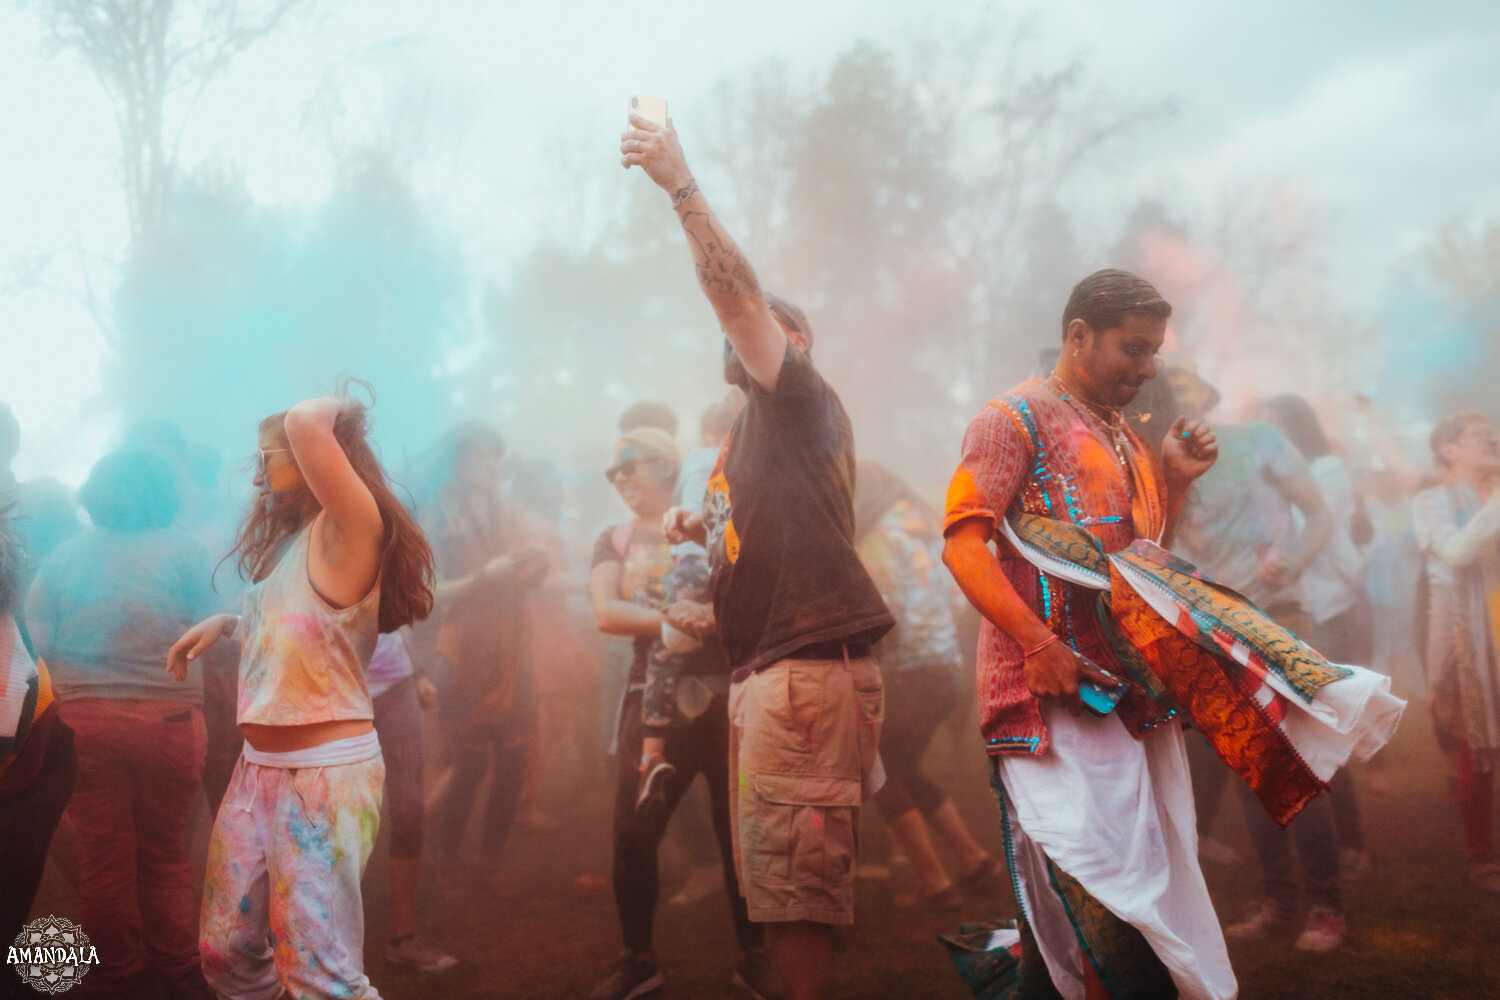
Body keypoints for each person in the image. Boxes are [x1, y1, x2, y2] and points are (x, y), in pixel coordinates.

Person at [941, 270, 1401, 999]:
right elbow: (964, 545)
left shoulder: (1121, 434)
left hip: (1130, 696)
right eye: (1135, 348)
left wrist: (1177, 483)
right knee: (1093, 891)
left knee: (1130, 895)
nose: (1150, 368)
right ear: (1078, 336)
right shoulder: (1009, 419)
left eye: (1154, 351)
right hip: (1045, 706)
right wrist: (1036, 644)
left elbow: (1137, 560)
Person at [624, 113, 894, 1000]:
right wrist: (703, 529)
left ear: (796, 347)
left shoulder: (798, 398)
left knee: (794, 896)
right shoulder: (751, 433)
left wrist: (680, 185)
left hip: (804, 673)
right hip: (777, 672)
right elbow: (775, 520)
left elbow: (737, 295)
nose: (746, 334)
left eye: (769, 331)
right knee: (780, 886)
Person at [168, 391, 435, 1000]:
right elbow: (301, 624)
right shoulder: (295, 542)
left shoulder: (352, 529)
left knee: (320, 977)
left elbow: (303, 420)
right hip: (256, 770)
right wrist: (230, 624)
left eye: (270, 458)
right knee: (225, 952)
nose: (258, 474)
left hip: (324, 780)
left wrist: (344, 406)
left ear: (320, 456)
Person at [587, 427, 779, 1000]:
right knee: (634, 832)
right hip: (652, 702)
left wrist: (714, 621)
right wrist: (676, 620)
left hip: (729, 701)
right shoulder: (614, 538)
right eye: (613, 472)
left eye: (631, 466)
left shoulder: (715, 529)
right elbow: (606, 611)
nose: (620, 478)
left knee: (738, 833)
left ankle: (756, 956)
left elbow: (755, 599)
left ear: (670, 467)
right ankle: (637, 958)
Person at [24, 448, 216, 999]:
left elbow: (38, 644)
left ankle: (117, 978)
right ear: (164, 491)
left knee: (103, 858)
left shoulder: (63, 558)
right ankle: (181, 972)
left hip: (85, 725)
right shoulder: (185, 552)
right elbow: (220, 637)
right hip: (170, 720)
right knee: (165, 855)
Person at [1172, 373, 1348, 952]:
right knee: (1249, 772)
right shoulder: (1154, 460)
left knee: (1291, 764)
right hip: (1208, 624)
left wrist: (1294, 562)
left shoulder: (1261, 439)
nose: (1178, 402)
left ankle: (1325, 909)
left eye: (1185, 389)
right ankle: (1280, 903)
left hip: (1274, 614)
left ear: (1204, 397)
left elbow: (1319, 514)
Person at [853, 461, 1006, 913]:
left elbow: (885, 617)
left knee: (879, 773)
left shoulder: (878, 541)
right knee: (904, 770)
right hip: (946, 669)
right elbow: (959, 596)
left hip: (910, 674)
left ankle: (937, 884)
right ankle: (976, 863)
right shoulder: (925, 530)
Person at [418, 423, 548, 888]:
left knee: (514, 759)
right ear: (457, 463)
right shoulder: (436, 517)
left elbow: (523, 577)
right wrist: (484, 577)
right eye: (480, 457)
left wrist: (535, 566)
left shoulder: (508, 510)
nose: (492, 466)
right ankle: (446, 852)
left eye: (495, 457)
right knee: (469, 763)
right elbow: (426, 591)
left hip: (513, 646)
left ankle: (491, 860)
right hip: (463, 648)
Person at [1412, 412, 1500, 894]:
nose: (1492, 440)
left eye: (1494, 433)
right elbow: (1459, 552)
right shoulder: (1430, 501)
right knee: (1476, 743)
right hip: (1463, 635)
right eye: (1479, 436)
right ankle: (1482, 856)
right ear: (1448, 449)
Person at [0, 501, 76, 1000]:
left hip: (31, 764)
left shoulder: (4, 630)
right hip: (22, 750)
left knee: (7, 905)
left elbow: (10, 708)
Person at [367, 628, 455, 971]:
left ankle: (403, 937)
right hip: (339, 691)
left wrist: (418, 673)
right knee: (337, 815)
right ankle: (322, 942)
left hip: (397, 687)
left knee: (409, 810)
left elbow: (399, 614)